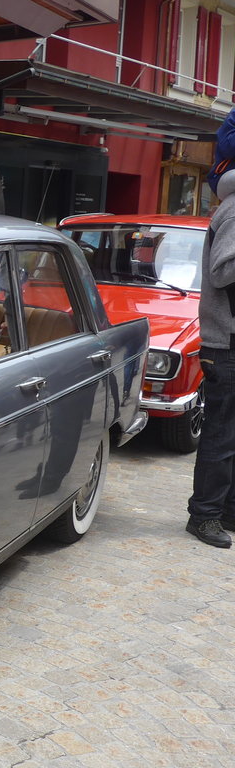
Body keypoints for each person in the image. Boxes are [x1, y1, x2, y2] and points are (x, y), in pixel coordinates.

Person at [186, 167, 235, 547]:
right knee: (220, 435)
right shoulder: (234, 210)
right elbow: (223, 272)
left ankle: (227, 510)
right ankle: (204, 516)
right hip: (227, 343)